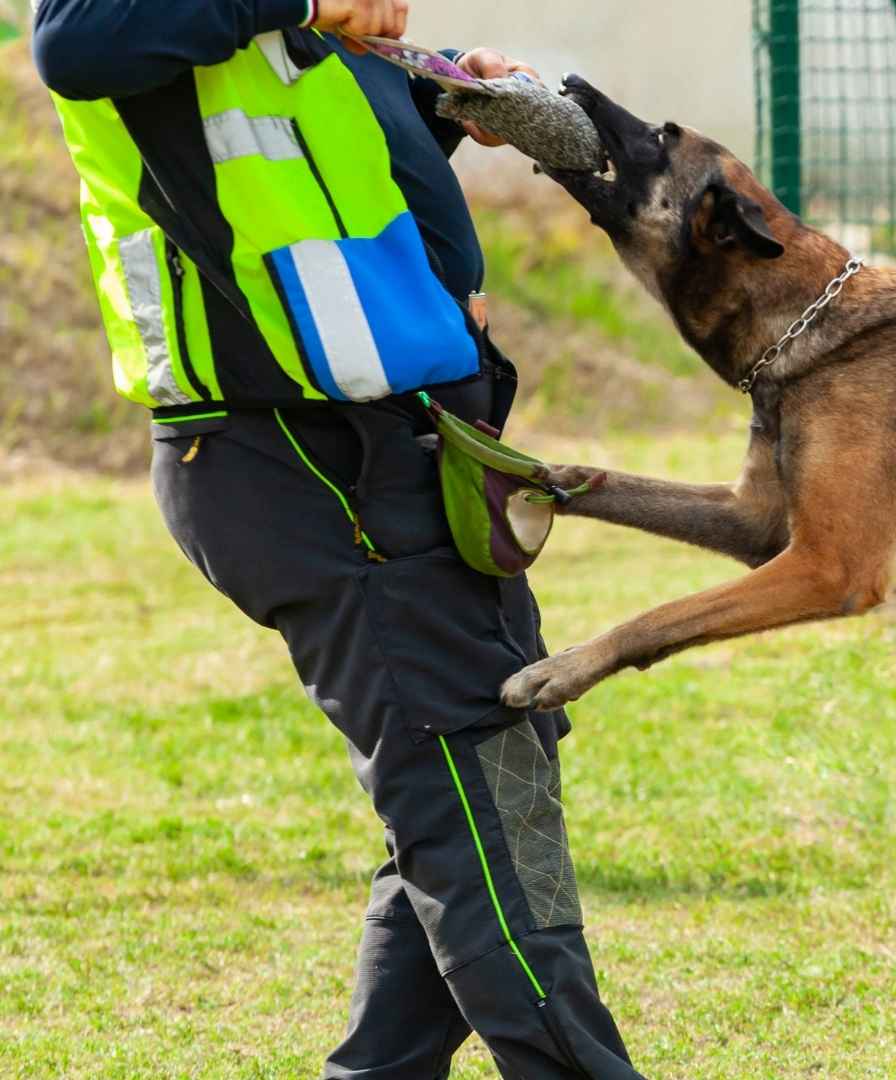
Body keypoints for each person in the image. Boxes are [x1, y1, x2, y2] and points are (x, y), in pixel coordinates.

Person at [32, 1, 645, 1076]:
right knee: (475, 791)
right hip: (301, 460)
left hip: (402, 448)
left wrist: (442, 102)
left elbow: (311, 179)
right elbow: (75, 48)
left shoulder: (280, 40)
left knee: (486, 772)